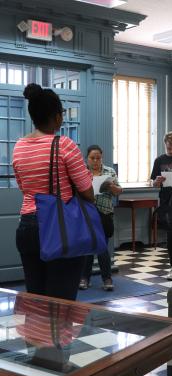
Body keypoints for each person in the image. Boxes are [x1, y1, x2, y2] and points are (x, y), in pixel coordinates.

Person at [12, 83, 94, 301]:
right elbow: (87, 192)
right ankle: (56, 337)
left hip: (27, 226)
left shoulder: (19, 146)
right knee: (61, 304)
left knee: (37, 302)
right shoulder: (64, 145)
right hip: (59, 228)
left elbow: (23, 187)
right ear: (57, 117)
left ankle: (35, 336)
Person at [79, 145, 122, 291]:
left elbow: (118, 191)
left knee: (102, 245)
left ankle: (107, 278)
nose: (96, 161)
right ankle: (85, 278)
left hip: (104, 213)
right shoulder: (82, 172)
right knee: (87, 245)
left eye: (98, 158)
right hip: (86, 213)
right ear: (87, 158)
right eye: (92, 158)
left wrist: (111, 187)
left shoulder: (109, 171)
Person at [150, 132, 172, 280]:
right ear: (165, 144)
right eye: (168, 147)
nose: (170, 150)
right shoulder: (159, 160)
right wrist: (156, 181)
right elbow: (153, 182)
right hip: (166, 200)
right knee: (171, 235)